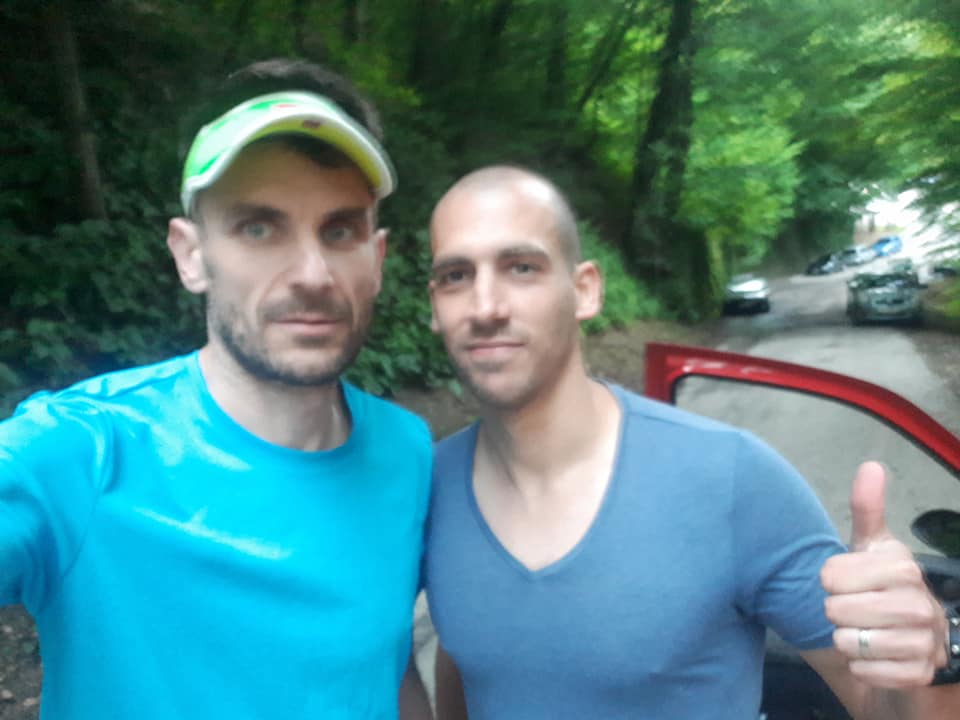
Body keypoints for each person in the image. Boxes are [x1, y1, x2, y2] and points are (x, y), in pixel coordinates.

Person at [422, 165, 959, 719]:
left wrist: (920, 656)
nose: (486, 307)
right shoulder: (427, 487)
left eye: (521, 268)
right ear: (435, 305)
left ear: (584, 290)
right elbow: (469, 665)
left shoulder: (733, 480)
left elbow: (884, 707)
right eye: (456, 276)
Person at [0, 59, 433, 719]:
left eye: (339, 230)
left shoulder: (408, 451)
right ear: (191, 255)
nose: (312, 274)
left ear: (375, 260)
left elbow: (386, 669)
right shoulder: (81, 453)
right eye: (259, 228)